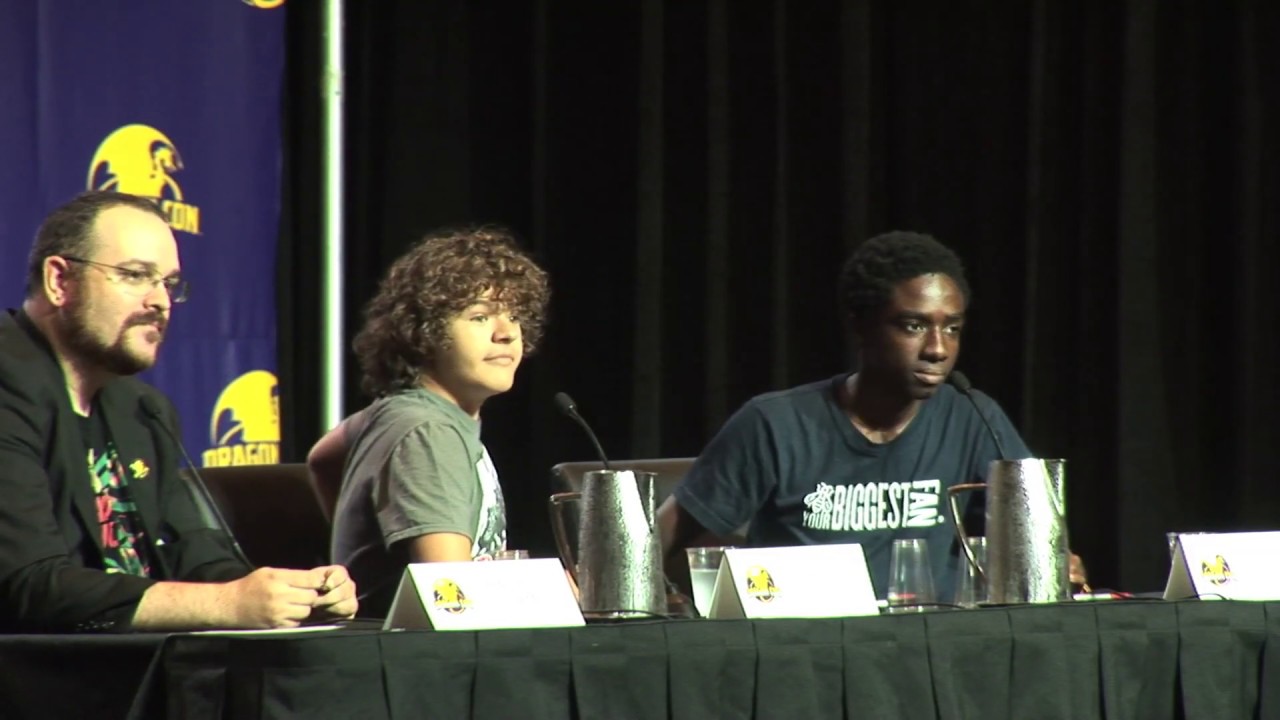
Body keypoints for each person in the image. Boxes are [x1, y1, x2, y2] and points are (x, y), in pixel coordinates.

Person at [0, 190, 358, 632]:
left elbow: (194, 556)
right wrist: (227, 604)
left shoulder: (142, 409)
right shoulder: (8, 387)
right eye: (135, 275)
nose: (161, 302)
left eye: (168, 283)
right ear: (59, 281)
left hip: (139, 663)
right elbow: (25, 584)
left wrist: (293, 596)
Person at [657, 230, 1079, 602]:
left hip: (933, 641)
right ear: (860, 326)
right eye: (913, 326)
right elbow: (661, 535)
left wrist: (1058, 560)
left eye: (952, 328)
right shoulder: (773, 424)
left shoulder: (973, 417)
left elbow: (1038, 535)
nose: (938, 349)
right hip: (802, 643)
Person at [328, 226, 551, 618]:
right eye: (480, 317)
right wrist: (546, 593)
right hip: (419, 650)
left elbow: (321, 457)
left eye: (515, 316)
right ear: (424, 333)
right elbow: (453, 597)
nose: (506, 334)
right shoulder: (428, 432)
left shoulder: (400, 412)